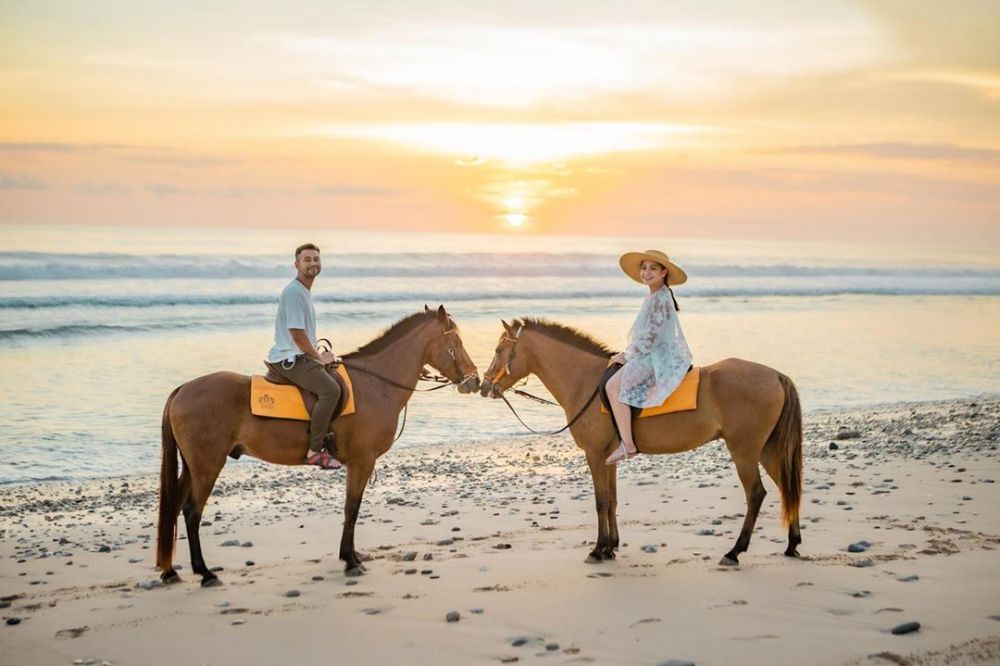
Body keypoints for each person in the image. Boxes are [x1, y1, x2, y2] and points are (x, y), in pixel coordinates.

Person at [605, 249, 693, 465]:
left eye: (653, 268)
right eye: (644, 268)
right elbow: (646, 334)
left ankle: (628, 444)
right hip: (650, 351)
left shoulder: (661, 298)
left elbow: (652, 337)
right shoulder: (655, 295)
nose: (647, 272)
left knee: (613, 387)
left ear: (664, 272)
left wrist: (628, 356)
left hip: (657, 356)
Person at [267, 243, 342, 469]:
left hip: (299, 355)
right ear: (297, 264)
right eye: (307, 259)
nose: (313, 263)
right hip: (289, 359)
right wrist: (320, 358)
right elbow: (298, 336)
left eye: (316, 259)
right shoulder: (294, 293)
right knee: (331, 390)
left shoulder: (303, 291)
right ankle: (315, 450)